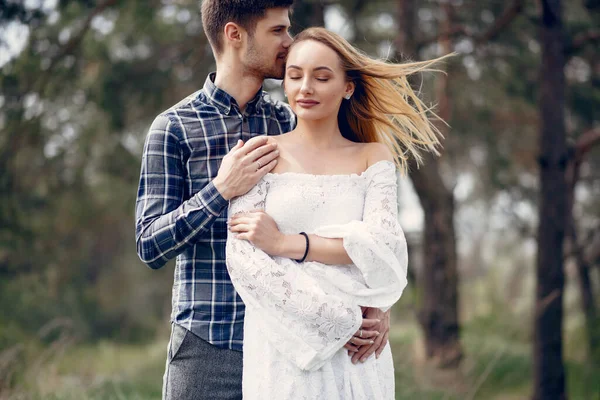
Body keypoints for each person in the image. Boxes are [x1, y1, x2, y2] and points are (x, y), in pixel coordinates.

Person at [135, 2, 387, 399]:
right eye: (277, 31)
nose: (289, 42)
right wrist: (220, 191)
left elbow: (339, 222)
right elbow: (149, 245)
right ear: (235, 35)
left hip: (290, 343)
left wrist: (376, 304)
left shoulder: (288, 121)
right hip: (208, 345)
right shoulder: (173, 128)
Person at [225, 27, 447, 399]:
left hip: (359, 354)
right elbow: (244, 259)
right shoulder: (260, 153)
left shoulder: (372, 157)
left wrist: (284, 243)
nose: (305, 88)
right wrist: (339, 320)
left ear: (347, 87)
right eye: (295, 76)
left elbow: (384, 247)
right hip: (286, 349)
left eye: (321, 77)